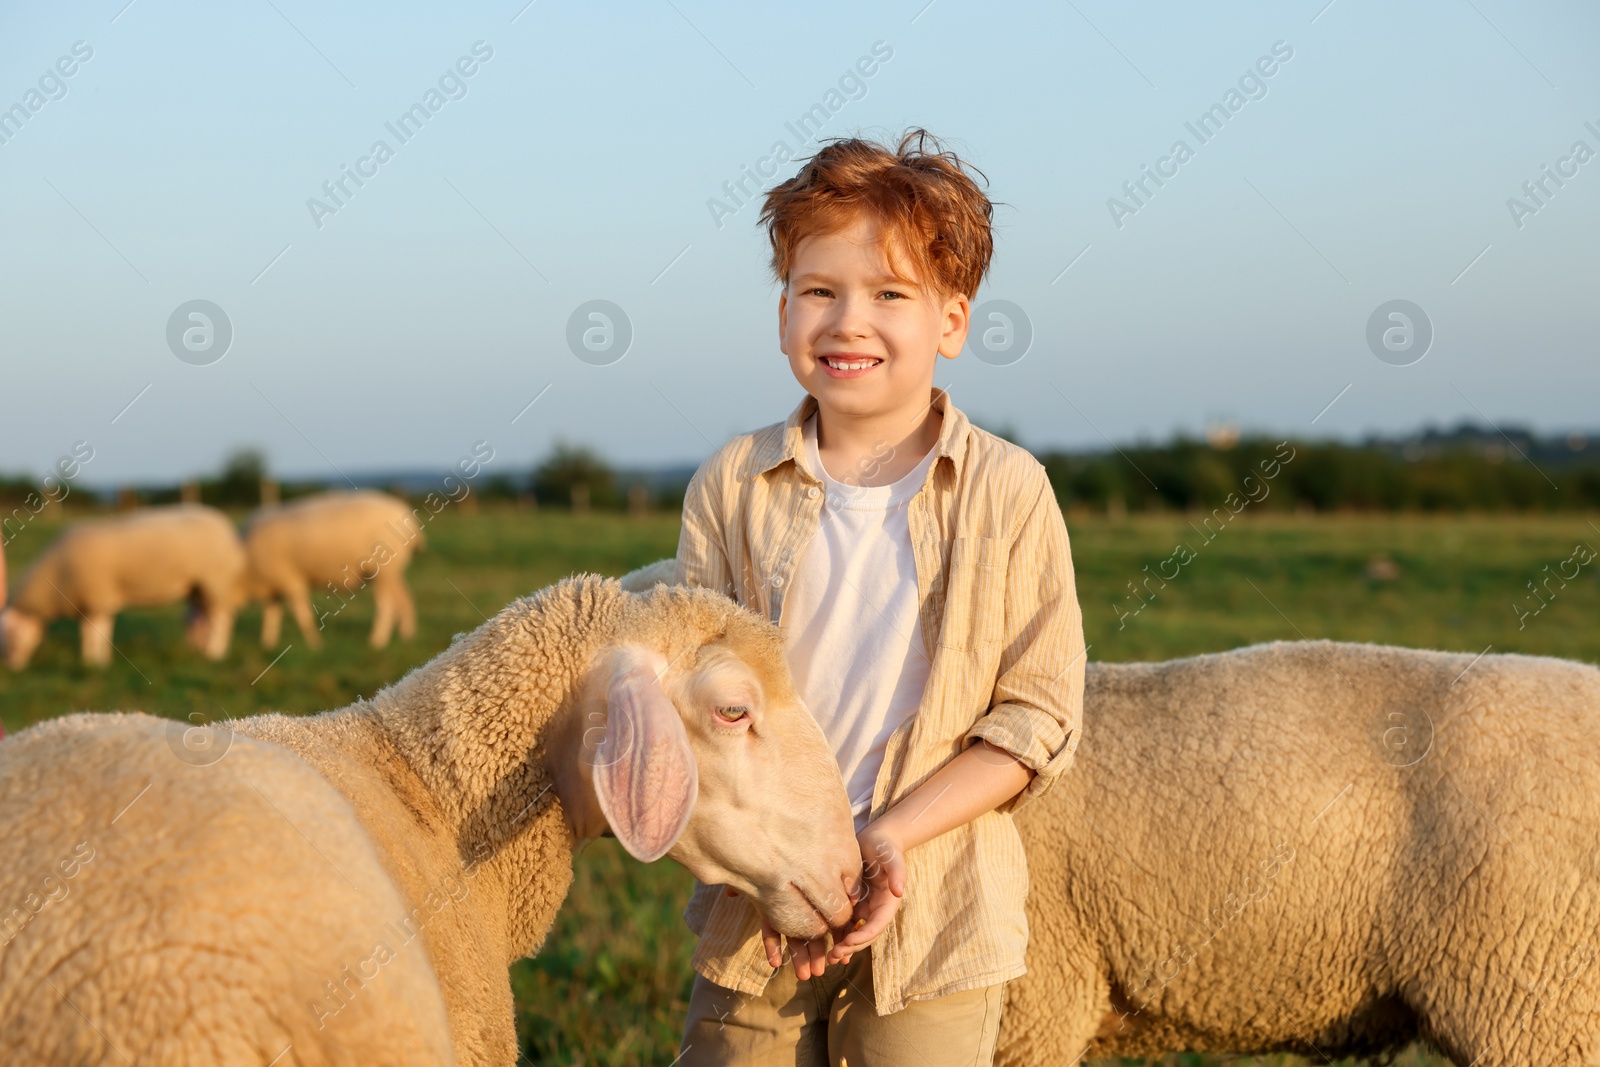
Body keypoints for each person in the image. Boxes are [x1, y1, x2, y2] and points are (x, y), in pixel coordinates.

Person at [672, 129, 1088, 1066]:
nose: (848, 322)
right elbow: (698, 707)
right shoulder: (732, 486)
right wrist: (783, 859)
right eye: (820, 291)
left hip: (936, 911)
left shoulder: (1009, 491)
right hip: (761, 912)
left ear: (952, 321)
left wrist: (888, 837)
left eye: (890, 295)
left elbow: (1038, 714)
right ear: (784, 313)